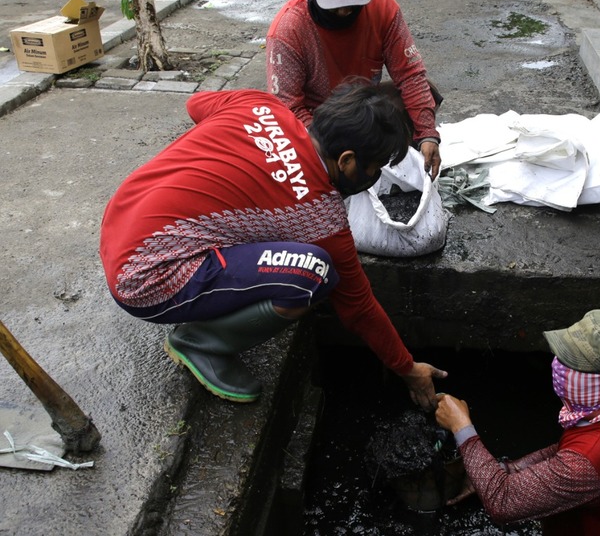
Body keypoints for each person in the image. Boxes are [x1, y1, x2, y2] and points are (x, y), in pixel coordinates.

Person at [99, 83, 446, 408]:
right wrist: (407, 368)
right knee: (313, 272)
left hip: (122, 222)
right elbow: (358, 307)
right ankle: (200, 343)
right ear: (347, 161)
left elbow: (195, 104)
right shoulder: (319, 217)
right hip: (144, 280)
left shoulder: (262, 105)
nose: (376, 175)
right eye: (375, 167)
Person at [435, 310, 600, 535]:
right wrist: (507, 470)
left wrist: (461, 427)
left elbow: (503, 503)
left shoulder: (590, 462)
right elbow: (566, 453)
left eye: (571, 363)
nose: (558, 366)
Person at [266, 0, 443, 181]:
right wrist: (326, 149)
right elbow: (287, 108)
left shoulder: (382, 7)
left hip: (363, 109)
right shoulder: (289, 28)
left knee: (425, 94)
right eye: (335, 4)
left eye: (351, 2)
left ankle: (398, 159)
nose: (344, 11)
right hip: (320, 122)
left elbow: (410, 75)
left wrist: (427, 134)